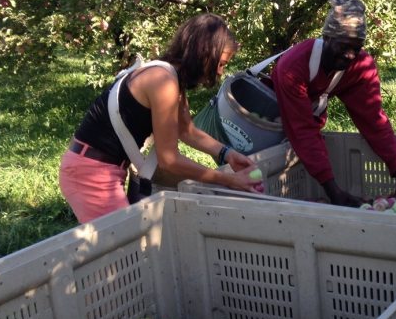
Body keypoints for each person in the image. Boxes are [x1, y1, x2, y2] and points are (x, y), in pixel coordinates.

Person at [59, 14, 261, 224]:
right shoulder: (163, 81)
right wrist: (227, 180)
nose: (220, 72)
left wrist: (227, 154)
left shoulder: (172, 77)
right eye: (220, 63)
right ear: (203, 53)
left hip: (102, 169)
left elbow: (186, 131)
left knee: (130, 248)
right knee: (127, 250)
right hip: (90, 173)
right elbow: (169, 159)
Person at [266, 0, 396, 207]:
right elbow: (303, 128)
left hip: (298, 127)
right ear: (327, 37)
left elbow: (374, 121)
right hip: (262, 126)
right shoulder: (294, 67)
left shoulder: (361, 67)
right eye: (343, 46)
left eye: (357, 47)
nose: (350, 55)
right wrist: (332, 189)